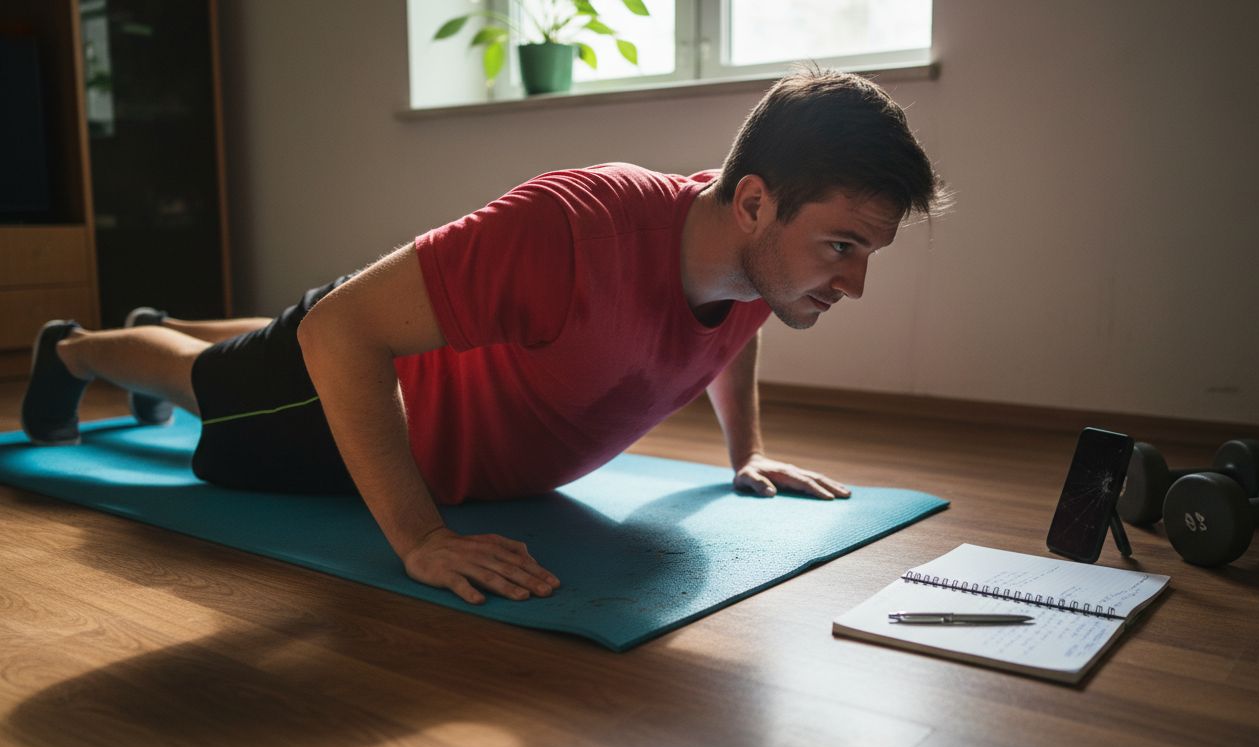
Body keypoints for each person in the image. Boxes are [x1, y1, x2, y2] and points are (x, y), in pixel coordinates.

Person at [20, 67, 942, 606]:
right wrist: (418, 536)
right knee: (211, 385)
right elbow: (343, 335)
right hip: (370, 395)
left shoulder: (746, 254)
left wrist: (749, 450)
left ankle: (159, 328)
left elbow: (733, 328)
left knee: (281, 331)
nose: (853, 282)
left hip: (376, 329)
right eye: (843, 247)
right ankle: (78, 348)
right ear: (754, 204)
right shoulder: (572, 231)